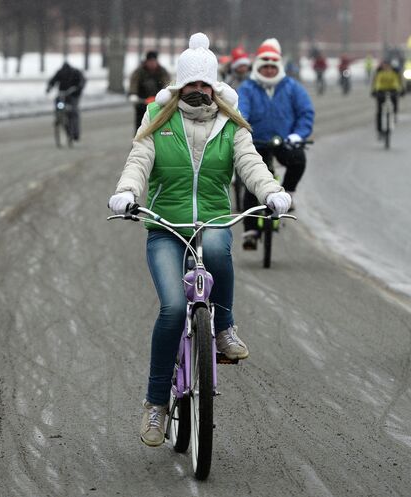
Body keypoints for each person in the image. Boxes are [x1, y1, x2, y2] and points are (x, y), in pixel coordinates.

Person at [108, 33, 290, 447]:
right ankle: (155, 405)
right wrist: (128, 193)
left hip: (212, 221)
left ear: (213, 86)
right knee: (173, 307)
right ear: (180, 84)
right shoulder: (158, 117)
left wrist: (271, 192)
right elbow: (139, 160)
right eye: (190, 83)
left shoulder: (230, 123)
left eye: (204, 83)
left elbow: (251, 164)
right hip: (165, 228)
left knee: (216, 250)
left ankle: (223, 327)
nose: (197, 90)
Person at [237, 38, 314, 249]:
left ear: (278, 67)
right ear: (258, 67)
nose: (269, 70)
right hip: (256, 143)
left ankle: (288, 194)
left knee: (298, 160)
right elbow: (240, 112)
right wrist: (244, 133)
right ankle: (251, 231)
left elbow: (305, 112)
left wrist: (298, 135)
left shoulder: (291, 87)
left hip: (284, 142)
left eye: (273, 67)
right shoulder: (248, 88)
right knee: (252, 184)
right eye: (265, 66)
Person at [127, 51, 170, 133]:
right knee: (140, 126)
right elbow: (134, 83)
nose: (152, 64)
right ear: (146, 62)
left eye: (154, 61)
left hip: (157, 103)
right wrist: (133, 94)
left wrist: (167, 94)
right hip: (142, 103)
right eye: (150, 61)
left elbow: (166, 83)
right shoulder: (139, 72)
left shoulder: (162, 71)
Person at [46, 61, 86, 140]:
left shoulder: (75, 73)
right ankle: (58, 116)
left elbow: (82, 81)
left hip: (73, 95)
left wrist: (78, 88)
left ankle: (75, 132)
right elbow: (53, 80)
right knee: (58, 104)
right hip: (62, 94)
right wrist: (49, 87)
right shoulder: (60, 72)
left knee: (74, 112)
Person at [371, 59, 403, 137]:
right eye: (384, 65)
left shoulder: (394, 72)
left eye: (387, 65)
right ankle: (379, 130)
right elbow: (376, 82)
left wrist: (400, 90)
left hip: (392, 90)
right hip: (381, 91)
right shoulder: (379, 72)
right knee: (379, 111)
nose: (386, 67)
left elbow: (397, 82)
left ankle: (394, 115)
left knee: (394, 103)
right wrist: (374, 91)